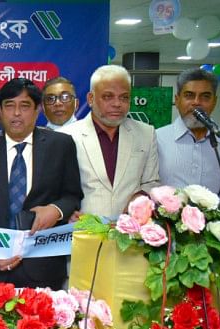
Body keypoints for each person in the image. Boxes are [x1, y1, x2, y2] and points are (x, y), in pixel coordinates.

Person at [0, 78, 82, 290]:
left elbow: (72, 195)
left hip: (44, 269)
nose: (17, 113)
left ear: (37, 110)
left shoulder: (61, 146)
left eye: (25, 106)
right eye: (9, 106)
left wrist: (55, 211)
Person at [60, 65, 159, 220]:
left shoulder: (146, 133)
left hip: (132, 229)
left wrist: (140, 197)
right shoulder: (66, 136)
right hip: (81, 229)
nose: (117, 104)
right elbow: (55, 188)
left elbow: (152, 182)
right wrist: (66, 212)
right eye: (108, 97)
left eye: (124, 97)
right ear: (91, 99)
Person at [157, 67, 220, 195]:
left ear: (214, 102)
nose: (197, 102)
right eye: (189, 95)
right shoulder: (157, 139)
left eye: (205, 97)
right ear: (177, 100)